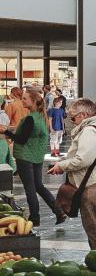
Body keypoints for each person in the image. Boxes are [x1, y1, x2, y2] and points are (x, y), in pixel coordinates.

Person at [48, 98, 96, 249]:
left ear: (83, 115)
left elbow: (83, 159)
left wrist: (62, 165)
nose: (72, 121)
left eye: (73, 117)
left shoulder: (90, 130)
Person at [7, 88, 63, 228]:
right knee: (38, 185)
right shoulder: (40, 116)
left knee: (30, 188)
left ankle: (34, 218)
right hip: (37, 156)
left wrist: (6, 132)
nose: (23, 100)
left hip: (25, 156)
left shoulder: (30, 118)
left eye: (25, 98)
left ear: (33, 101)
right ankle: (58, 211)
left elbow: (20, 139)